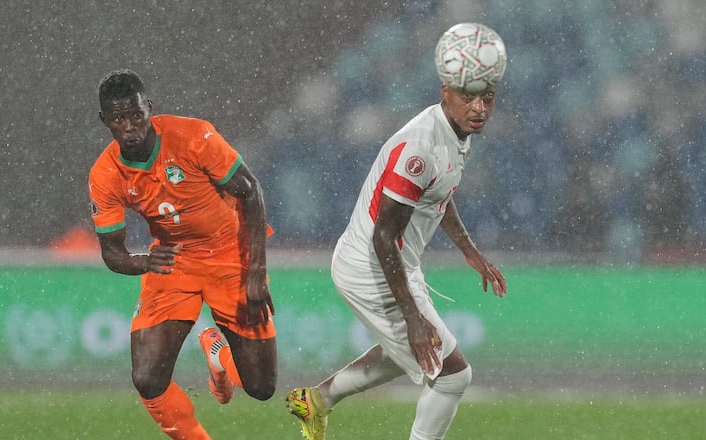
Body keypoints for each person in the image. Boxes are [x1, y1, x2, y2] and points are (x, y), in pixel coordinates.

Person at [285, 23, 509, 440]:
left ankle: (314, 401)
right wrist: (411, 315)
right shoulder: (420, 149)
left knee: (410, 351)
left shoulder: (457, 133)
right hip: (371, 266)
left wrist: (470, 252)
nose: (479, 107)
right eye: (468, 96)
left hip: (390, 262)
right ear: (445, 93)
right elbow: (383, 236)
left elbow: (439, 196)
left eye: (487, 97)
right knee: (451, 375)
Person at [88, 69, 276, 440]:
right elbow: (112, 253)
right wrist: (145, 262)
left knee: (261, 387)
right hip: (173, 259)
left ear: (149, 108)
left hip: (230, 252)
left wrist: (255, 270)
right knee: (147, 378)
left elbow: (250, 190)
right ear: (104, 120)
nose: (129, 126)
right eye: (118, 118)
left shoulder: (193, 136)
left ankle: (218, 351)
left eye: (136, 114)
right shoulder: (105, 174)